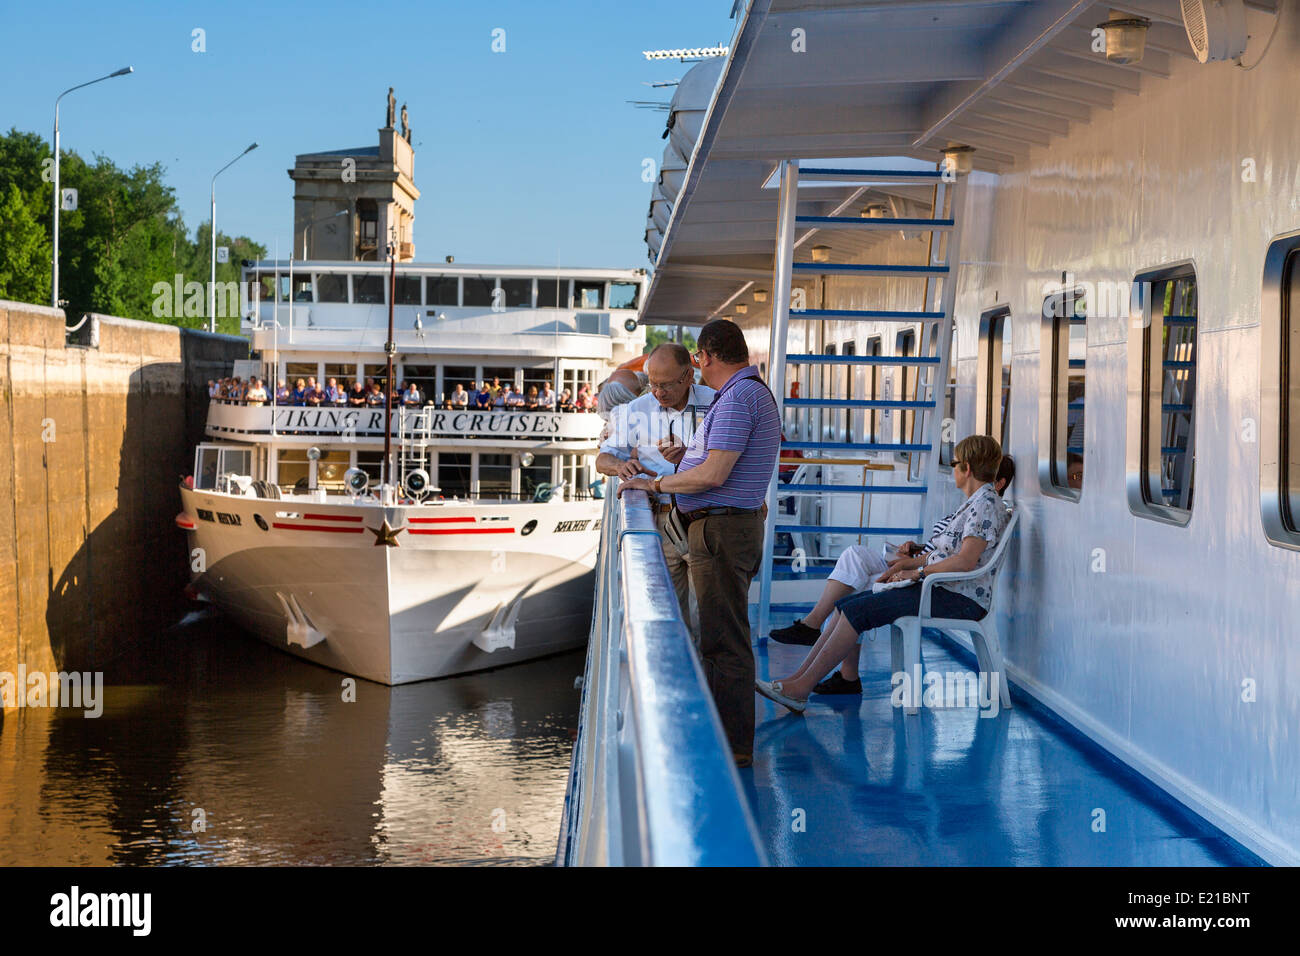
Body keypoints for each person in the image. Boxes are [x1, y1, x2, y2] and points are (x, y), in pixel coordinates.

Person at [618, 319, 781, 767]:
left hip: (722, 531)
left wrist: (657, 485)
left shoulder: (736, 400)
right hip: (727, 527)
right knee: (722, 635)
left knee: (722, 641)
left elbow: (713, 475)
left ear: (705, 358)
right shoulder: (750, 394)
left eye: (698, 360)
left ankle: (731, 749)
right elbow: (719, 464)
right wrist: (684, 461)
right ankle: (729, 740)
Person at [755, 435, 1010, 714]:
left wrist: (919, 572)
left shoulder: (985, 503)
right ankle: (797, 681)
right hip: (939, 588)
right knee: (845, 606)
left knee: (858, 612)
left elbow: (965, 561)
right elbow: (945, 553)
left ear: (968, 468)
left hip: (957, 597)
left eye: (954, 464)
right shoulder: (974, 502)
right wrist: (905, 566)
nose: (952, 469)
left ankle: (801, 690)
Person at [596, 343, 716, 629]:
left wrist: (689, 454)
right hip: (661, 519)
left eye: (666, 385)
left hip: (706, 517)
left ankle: (708, 672)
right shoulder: (638, 408)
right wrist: (620, 466)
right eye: (652, 385)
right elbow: (603, 458)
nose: (658, 393)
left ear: (688, 376)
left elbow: (726, 461)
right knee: (671, 614)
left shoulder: (715, 402)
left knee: (708, 614)